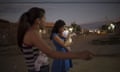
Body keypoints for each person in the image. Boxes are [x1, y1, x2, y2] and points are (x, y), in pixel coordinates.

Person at [17, 7, 94, 72]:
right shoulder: (32, 34)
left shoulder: (34, 33)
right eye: (44, 18)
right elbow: (51, 53)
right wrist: (79, 55)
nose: (45, 21)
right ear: (38, 20)